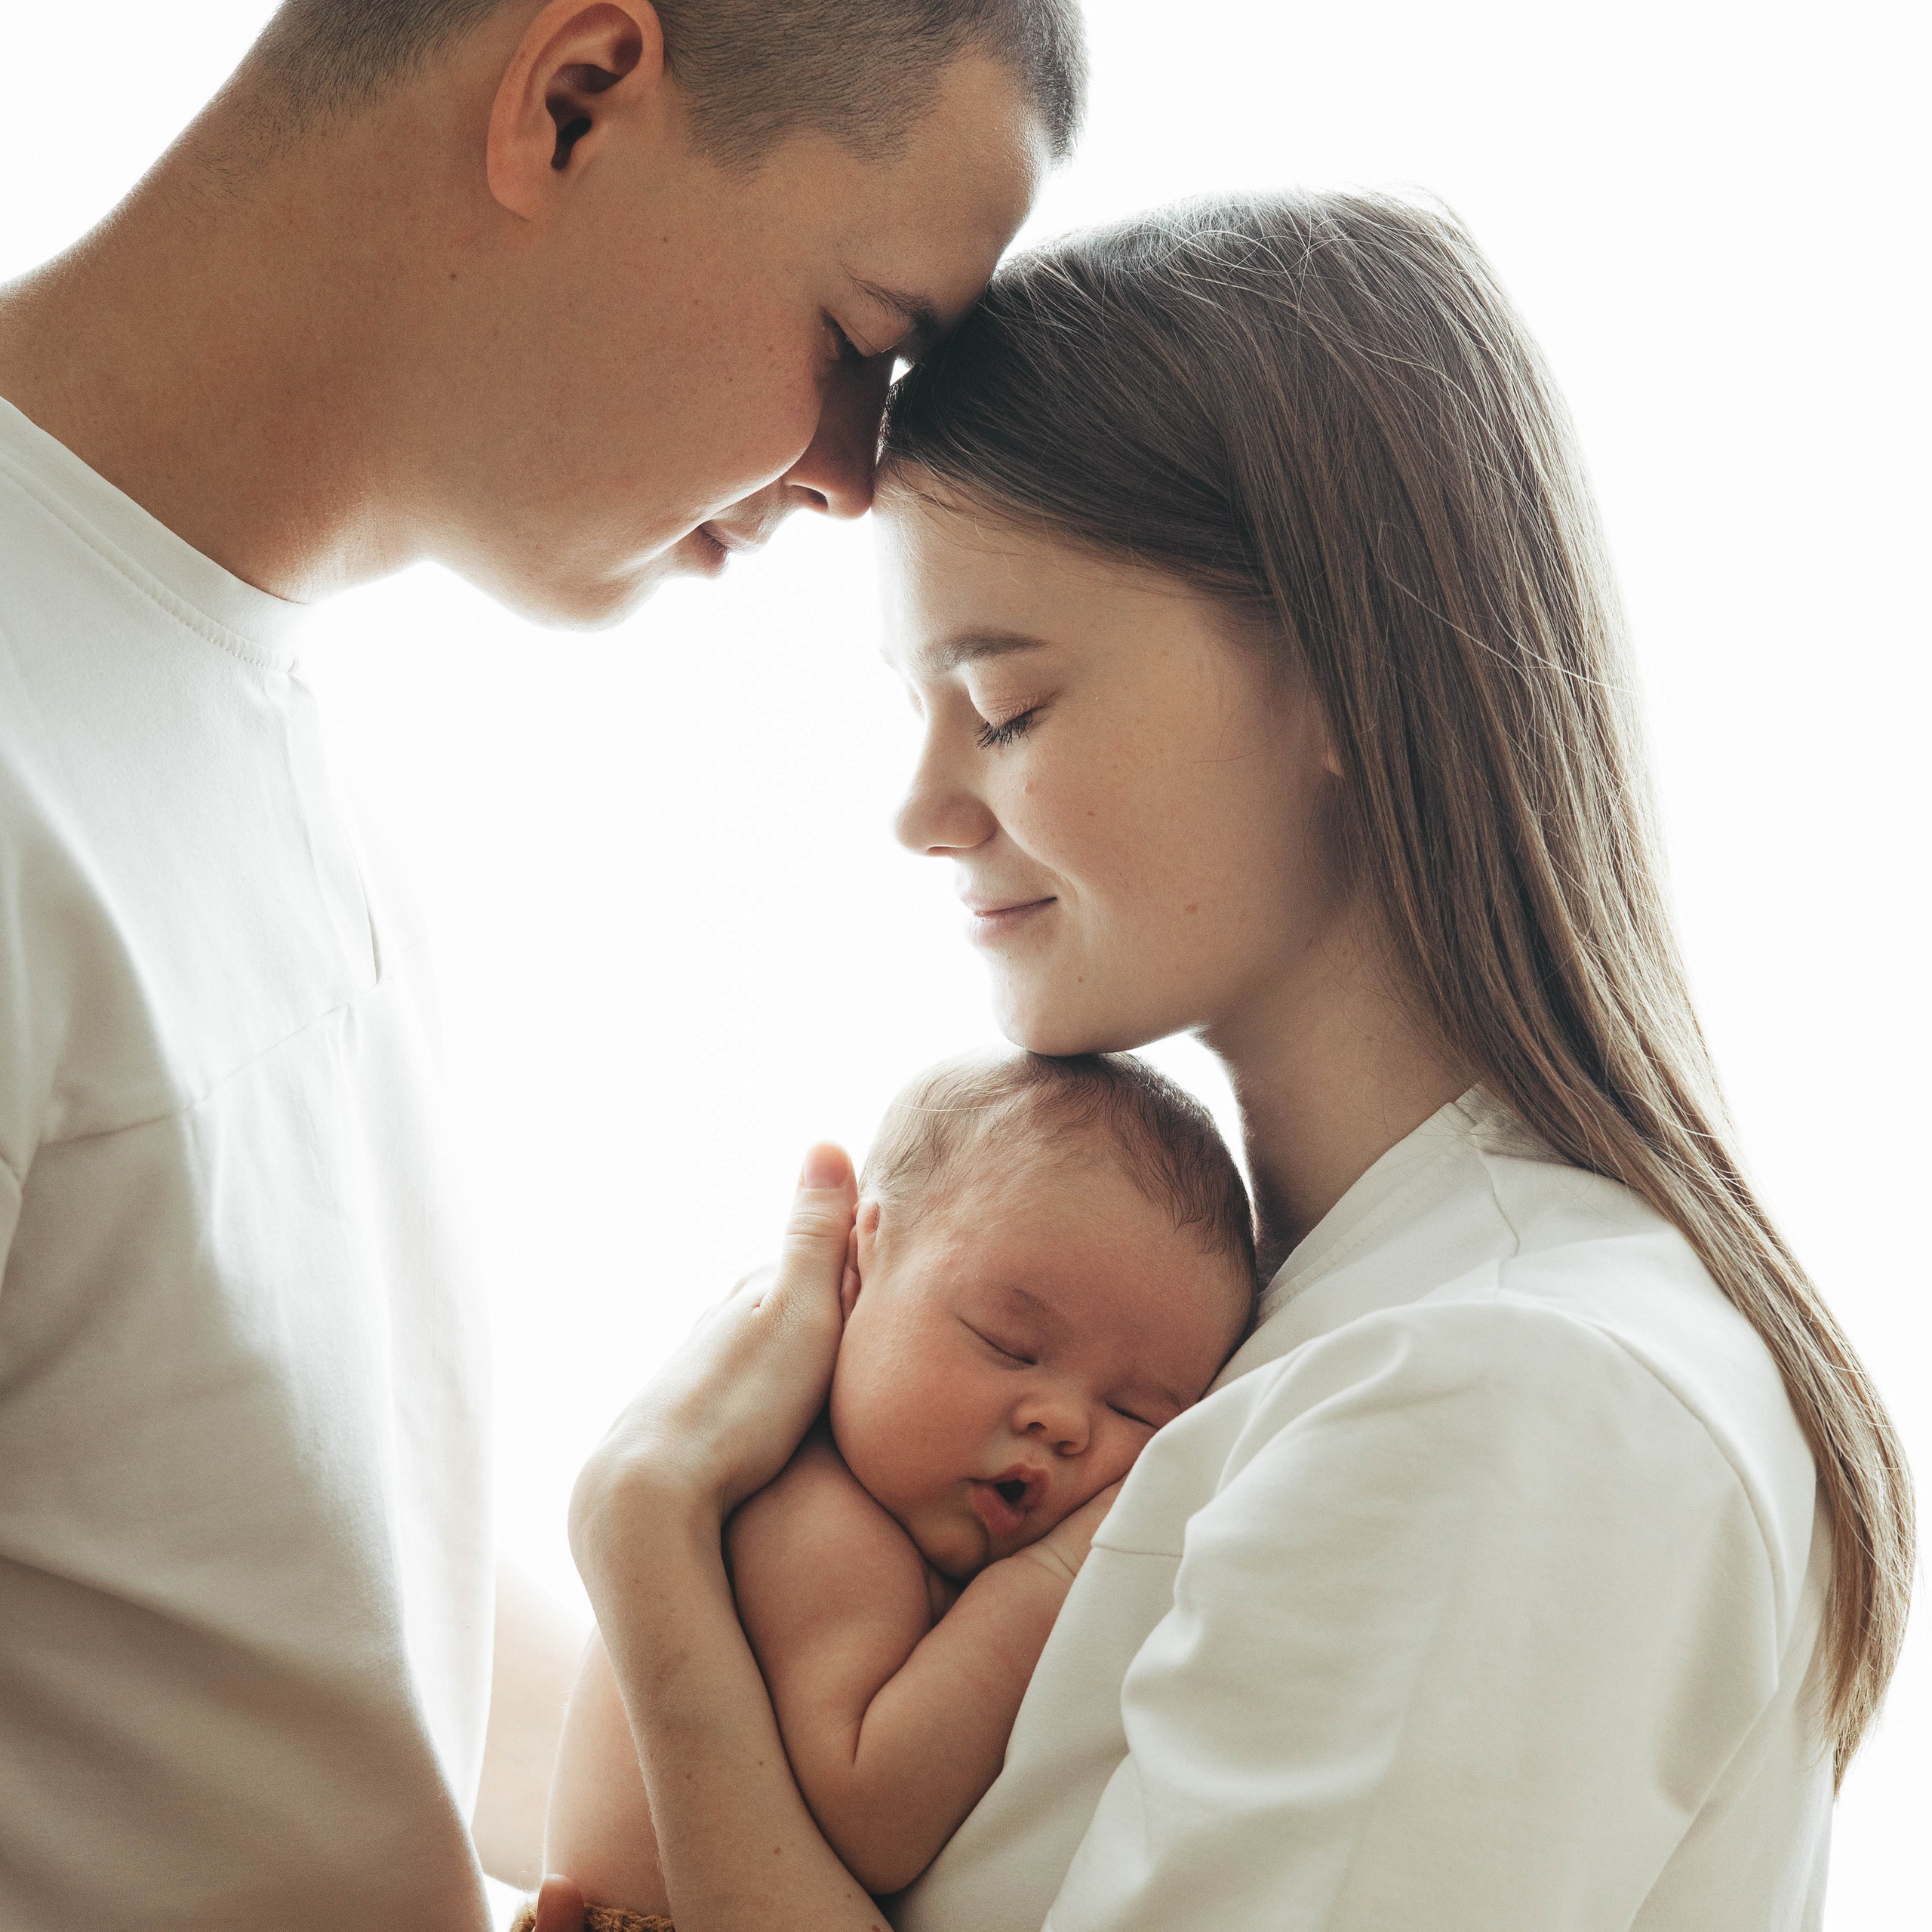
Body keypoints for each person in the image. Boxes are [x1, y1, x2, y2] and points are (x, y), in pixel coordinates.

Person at [558, 192, 1915, 1932]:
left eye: (1009, 704)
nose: (920, 807)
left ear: (1342, 670)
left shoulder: (1496, 1396)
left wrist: (651, 1558)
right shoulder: (1304, 1322)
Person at [0, 1, 1083, 1925]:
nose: (854, 474)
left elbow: (258, 1605)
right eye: (860, 343)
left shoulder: (231, 721)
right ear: (572, 99)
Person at [538, 1051, 1257, 1924]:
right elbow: (874, 1809)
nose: (1064, 1421)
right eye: (1008, 1342)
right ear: (863, 1256)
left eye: (1136, 1410)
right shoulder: (812, 1518)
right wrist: (1051, 1580)